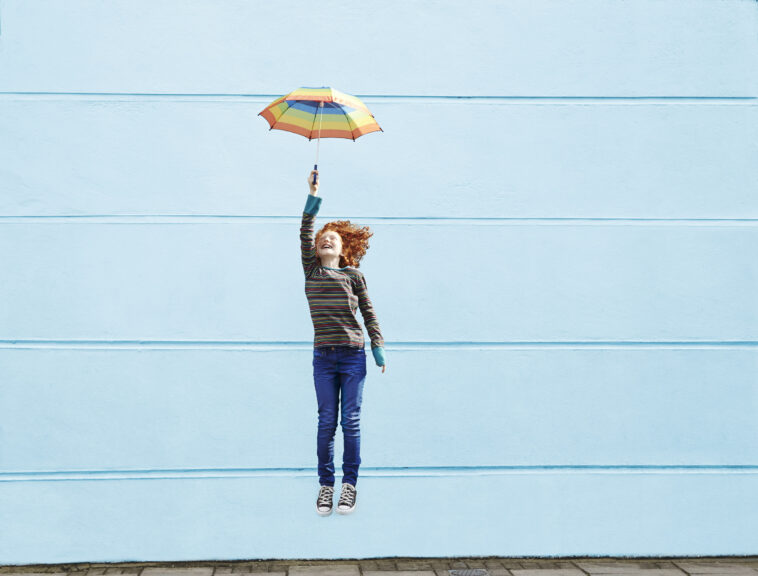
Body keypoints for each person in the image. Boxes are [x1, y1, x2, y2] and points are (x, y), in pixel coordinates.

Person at [300, 169, 386, 516]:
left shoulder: (353, 276)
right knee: (325, 420)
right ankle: (325, 485)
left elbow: (368, 311)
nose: (326, 240)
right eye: (323, 238)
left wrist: (378, 345)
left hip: (353, 356)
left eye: (333, 238)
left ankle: (349, 484)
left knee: (350, 420)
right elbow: (305, 231)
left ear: (343, 248)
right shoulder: (312, 271)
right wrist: (312, 195)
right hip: (323, 357)